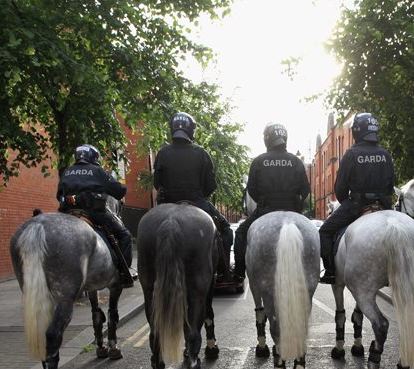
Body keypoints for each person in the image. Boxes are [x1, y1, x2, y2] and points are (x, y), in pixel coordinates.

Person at [318, 113, 395, 284]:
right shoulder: (385, 153)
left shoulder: (351, 154)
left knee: (324, 232)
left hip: (357, 206)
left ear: (357, 131)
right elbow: (391, 184)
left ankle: (330, 272)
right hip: (383, 205)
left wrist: (347, 201)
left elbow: (341, 189)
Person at [152, 112, 233, 273]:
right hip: (197, 201)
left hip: (168, 203)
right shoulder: (201, 153)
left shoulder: (163, 152)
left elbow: (157, 183)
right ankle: (223, 269)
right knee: (226, 230)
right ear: (191, 131)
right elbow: (211, 186)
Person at [232, 123, 311, 281]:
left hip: (266, 209)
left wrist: (263, 201)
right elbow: (305, 189)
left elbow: (252, 189)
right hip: (292, 209)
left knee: (240, 233)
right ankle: (328, 269)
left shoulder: (259, 161)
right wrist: (296, 202)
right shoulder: (296, 162)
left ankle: (239, 271)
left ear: (267, 140)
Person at [56, 144, 134, 285]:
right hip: (93, 213)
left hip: (68, 213)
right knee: (125, 235)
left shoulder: (67, 172)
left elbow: (58, 195)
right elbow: (120, 191)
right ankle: (124, 274)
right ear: (94, 158)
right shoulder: (98, 171)